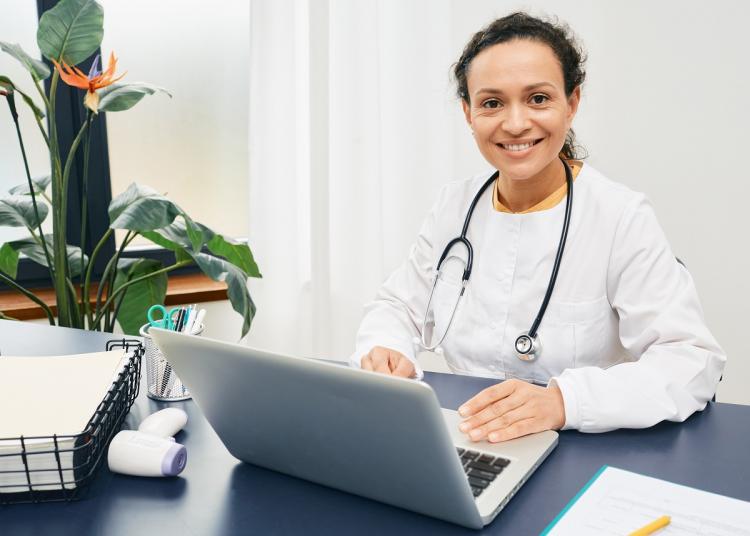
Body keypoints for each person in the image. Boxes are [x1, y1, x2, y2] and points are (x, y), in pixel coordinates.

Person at [349, 12, 725, 443]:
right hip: (466, 436)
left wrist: (565, 401)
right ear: (468, 114)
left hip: (585, 445)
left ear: (572, 103)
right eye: (492, 103)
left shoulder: (620, 216)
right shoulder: (455, 207)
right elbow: (398, 307)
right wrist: (386, 349)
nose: (514, 123)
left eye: (538, 99)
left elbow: (690, 359)